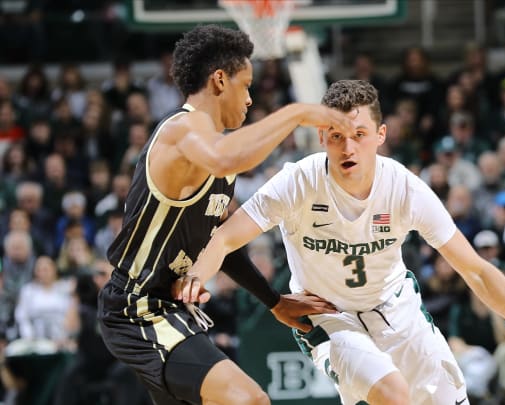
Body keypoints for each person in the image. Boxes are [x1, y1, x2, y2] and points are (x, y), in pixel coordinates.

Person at [176, 80, 505, 404]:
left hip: (396, 308)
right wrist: (196, 275)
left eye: (358, 134)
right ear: (321, 137)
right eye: (336, 135)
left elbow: (476, 269)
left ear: (380, 135)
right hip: (328, 315)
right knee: (395, 395)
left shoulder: (405, 188)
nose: (348, 146)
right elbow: (227, 235)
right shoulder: (297, 181)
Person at [97, 25, 351, 405]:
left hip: (168, 307)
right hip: (138, 309)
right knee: (250, 400)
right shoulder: (183, 129)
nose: (249, 99)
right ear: (219, 81)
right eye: (245, 86)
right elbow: (228, 155)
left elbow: (220, 241)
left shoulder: (214, 153)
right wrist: (297, 113)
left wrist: (273, 301)